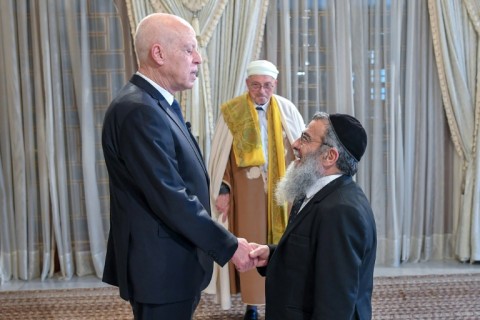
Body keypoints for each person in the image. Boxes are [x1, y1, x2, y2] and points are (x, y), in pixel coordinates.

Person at [101, 13, 255, 320]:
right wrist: (228, 245)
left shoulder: (156, 103)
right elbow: (170, 197)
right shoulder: (138, 110)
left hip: (171, 263)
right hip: (160, 268)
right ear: (158, 54)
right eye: (189, 49)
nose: (199, 59)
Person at [249, 112, 377, 319]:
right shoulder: (315, 192)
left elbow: (335, 303)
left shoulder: (341, 211)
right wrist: (272, 255)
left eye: (306, 139)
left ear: (330, 156)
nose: (295, 144)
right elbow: (312, 259)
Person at [207, 60, 305, 319]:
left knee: (282, 243)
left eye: (267, 86)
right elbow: (222, 158)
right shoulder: (233, 112)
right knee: (251, 246)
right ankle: (252, 304)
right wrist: (224, 190)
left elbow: (302, 150)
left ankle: (281, 300)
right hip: (246, 193)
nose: (261, 91)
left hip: (282, 191)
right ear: (247, 85)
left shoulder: (286, 109)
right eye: (255, 86)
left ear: (275, 84)